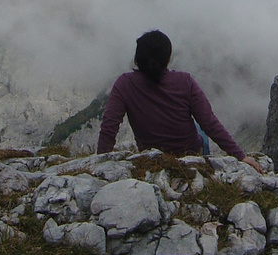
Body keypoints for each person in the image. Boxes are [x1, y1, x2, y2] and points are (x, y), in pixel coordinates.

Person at [97, 30, 264, 173]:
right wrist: (240, 156)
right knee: (200, 129)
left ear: (137, 59)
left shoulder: (124, 84)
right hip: (190, 154)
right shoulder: (185, 81)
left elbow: (109, 127)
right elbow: (210, 123)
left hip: (151, 156)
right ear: (168, 59)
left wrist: (101, 164)